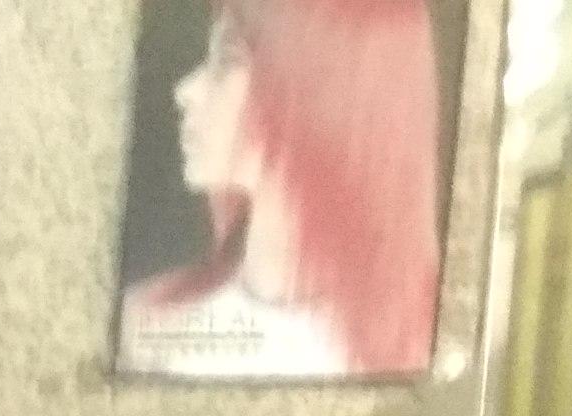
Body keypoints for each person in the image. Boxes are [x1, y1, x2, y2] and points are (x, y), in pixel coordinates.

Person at [118, 0, 448, 381]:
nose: (185, 90)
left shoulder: (425, 353)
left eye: (227, 60)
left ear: (319, 95)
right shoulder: (148, 328)